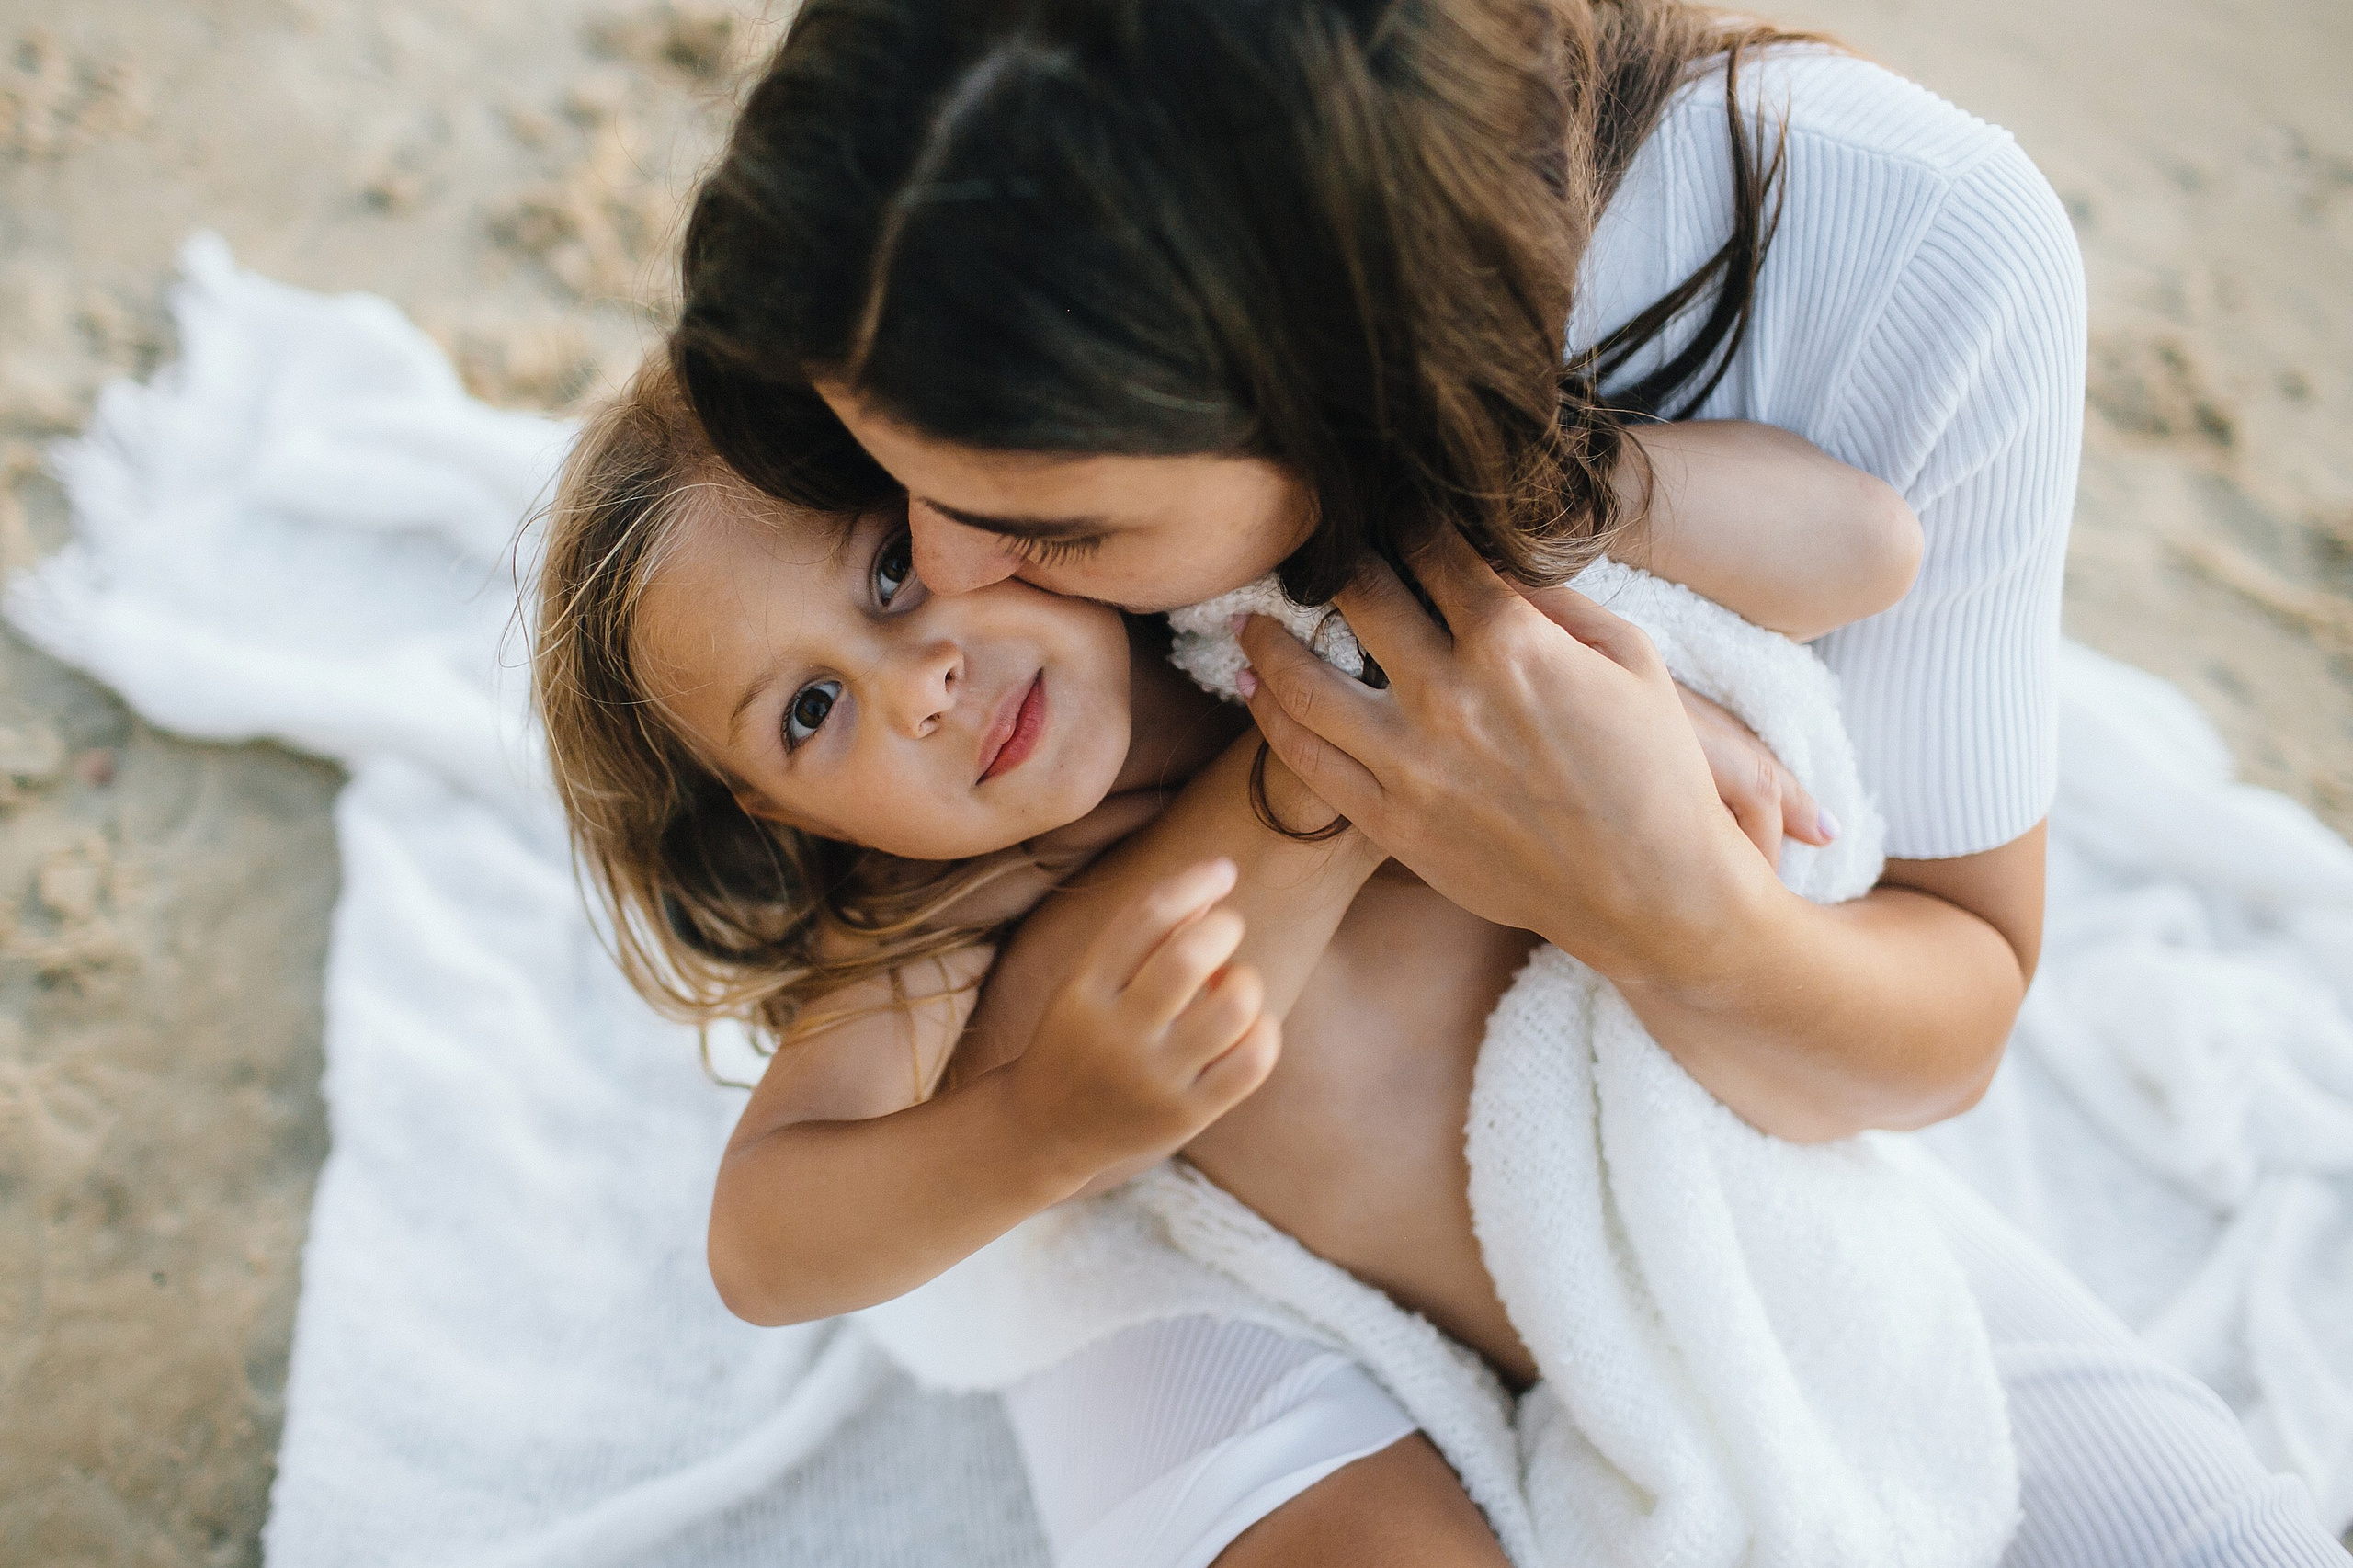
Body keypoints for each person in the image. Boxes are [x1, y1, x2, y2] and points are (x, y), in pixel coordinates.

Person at [661, 0, 2351, 1562]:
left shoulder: (1879, 281)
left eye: (1033, 521)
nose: (957, 583)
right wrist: (1298, 811)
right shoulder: (977, 798)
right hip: (1221, 1264)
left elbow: (1864, 602)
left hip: (1682, 1170)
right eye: (892, 498)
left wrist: (1665, 886)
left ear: (1351, 416)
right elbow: (794, 1201)